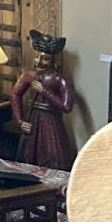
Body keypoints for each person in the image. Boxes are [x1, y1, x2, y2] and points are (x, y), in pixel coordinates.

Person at [10, 29, 76, 170]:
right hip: (33, 120)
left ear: (53, 61)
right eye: (37, 57)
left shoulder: (59, 79)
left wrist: (44, 91)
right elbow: (15, 94)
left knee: (53, 158)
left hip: (51, 123)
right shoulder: (29, 75)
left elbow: (66, 106)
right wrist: (20, 120)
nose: (39, 61)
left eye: (45, 58)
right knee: (27, 157)